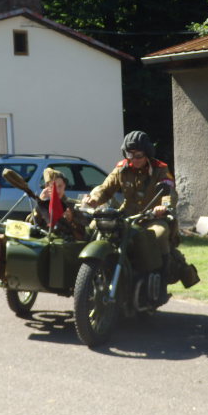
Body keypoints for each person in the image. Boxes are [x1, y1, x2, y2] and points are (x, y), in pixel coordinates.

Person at [82, 130, 179, 303]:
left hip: (151, 218)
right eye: (130, 154)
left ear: (147, 153)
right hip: (126, 217)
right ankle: (86, 275)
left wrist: (164, 207)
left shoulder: (160, 169)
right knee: (93, 227)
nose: (134, 159)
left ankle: (160, 285)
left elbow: (169, 191)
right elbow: (105, 188)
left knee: (159, 234)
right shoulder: (122, 168)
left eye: (138, 155)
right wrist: (94, 199)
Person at [26, 167, 87, 239]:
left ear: (64, 185)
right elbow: (28, 227)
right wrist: (40, 204)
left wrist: (71, 220)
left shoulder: (73, 205)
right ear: (46, 187)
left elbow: (83, 234)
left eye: (60, 186)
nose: (57, 190)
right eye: (53, 187)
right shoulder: (43, 204)